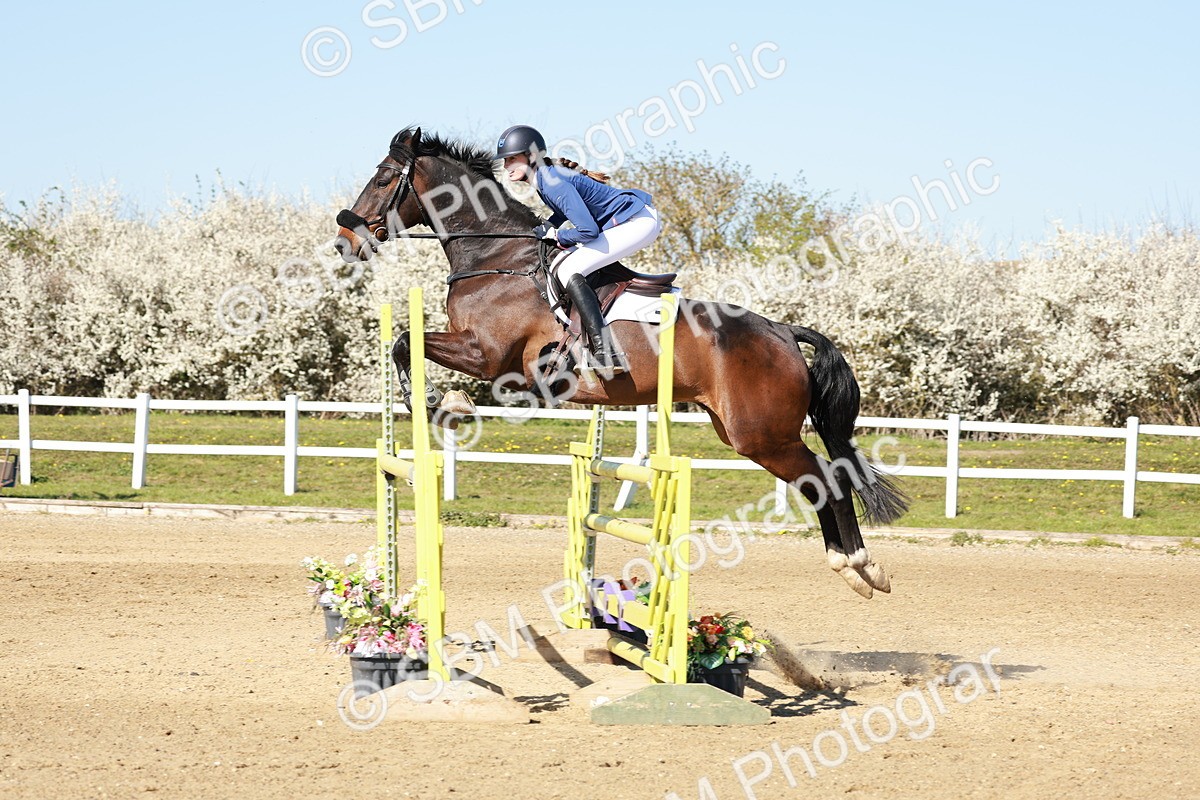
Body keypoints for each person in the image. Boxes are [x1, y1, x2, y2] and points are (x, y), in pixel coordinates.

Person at [495, 124, 661, 376]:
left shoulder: (550, 182)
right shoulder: (545, 177)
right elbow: (565, 211)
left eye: (512, 159)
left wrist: (555, 234)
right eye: (505, 161)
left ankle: (605, 351)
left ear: (531, 156)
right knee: (568, 262)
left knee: (569, 269)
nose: (507, 167)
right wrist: (548, 225)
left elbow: (587, 231)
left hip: (637, 222)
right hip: (631, 219)